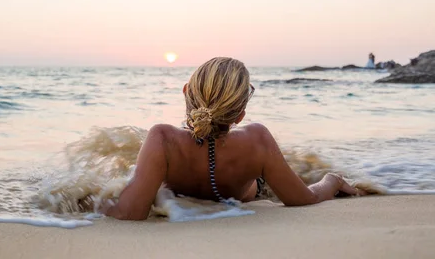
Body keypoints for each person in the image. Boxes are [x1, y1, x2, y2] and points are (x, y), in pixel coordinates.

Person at [102, 57, 364, 220]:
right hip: (249, 193)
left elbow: (130, 212)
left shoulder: (162, 139)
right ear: (240, 116)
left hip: (178, 199)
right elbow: (304, 198)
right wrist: (332, 180)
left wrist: (85, 202)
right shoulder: (257, 140)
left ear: (185, 93)